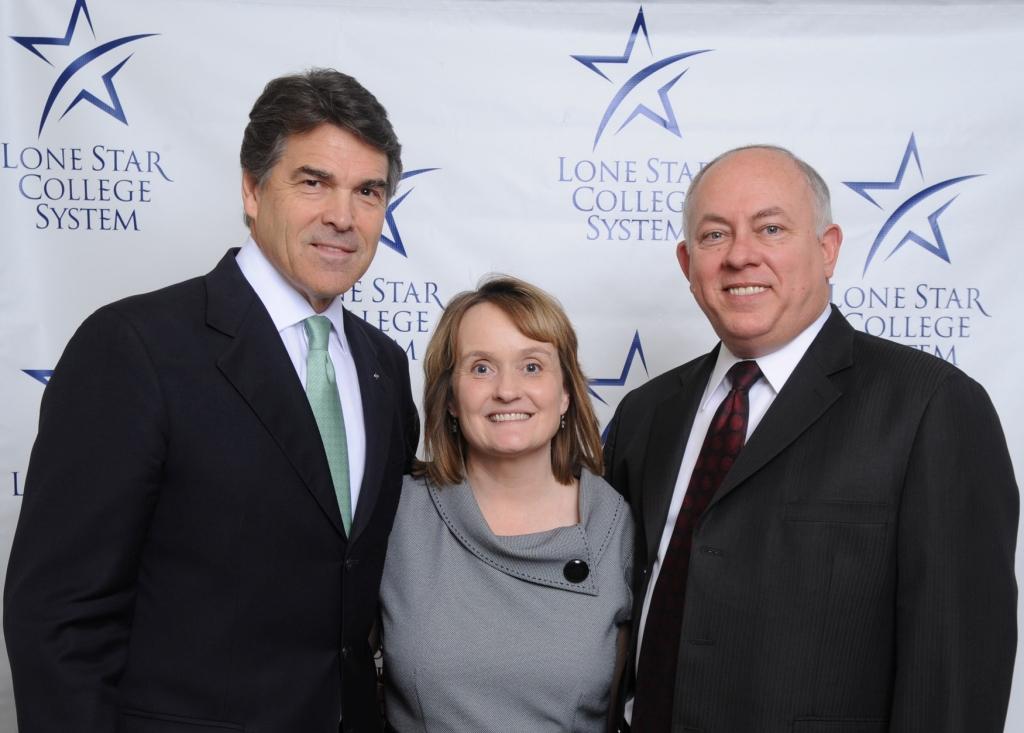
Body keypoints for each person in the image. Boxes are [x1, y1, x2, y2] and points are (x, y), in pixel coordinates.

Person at [4, 69, 419, 733]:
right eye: (314, 182)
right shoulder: (135, 347)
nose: (343, 216)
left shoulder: (385, 368)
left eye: (367, 191)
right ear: (253, 190)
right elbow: (56, 617)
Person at [604, 145, 1018, 733]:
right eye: (714, 236)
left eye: (770, 228)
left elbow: (953, 673)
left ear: (827, 250)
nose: (740, 256)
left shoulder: (932, 406)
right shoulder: (647, 413)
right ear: (686, 262)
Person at [379, 276, 634, 732]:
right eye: (481, 368)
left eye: (532, 367)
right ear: (451, 398)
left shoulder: (617, 523)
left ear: (566, 394)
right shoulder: (396, 515)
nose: (507, 390)